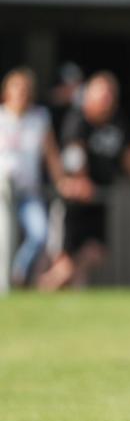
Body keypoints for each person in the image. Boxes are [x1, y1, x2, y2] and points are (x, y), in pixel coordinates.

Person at [38, 72, 130, 290]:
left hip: (97, 201)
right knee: (65, 261)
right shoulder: (79, 119)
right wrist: (80, 180)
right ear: (89, 95)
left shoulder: (118, 123)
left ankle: (62, 288)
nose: (107, 99)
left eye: (110, 94)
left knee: (96, 253)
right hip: (73, 203)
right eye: (102, 94)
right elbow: (74, 153)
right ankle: (44, 287)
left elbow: (129, 157)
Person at [0, 68, 64, 288]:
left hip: (28, 191)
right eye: (17, 88)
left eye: (26, 90)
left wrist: (60, 180)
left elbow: (51, 154)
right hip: (2, 192)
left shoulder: (39, 118)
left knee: (40, 233)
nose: (22, 94)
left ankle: (18, 272)